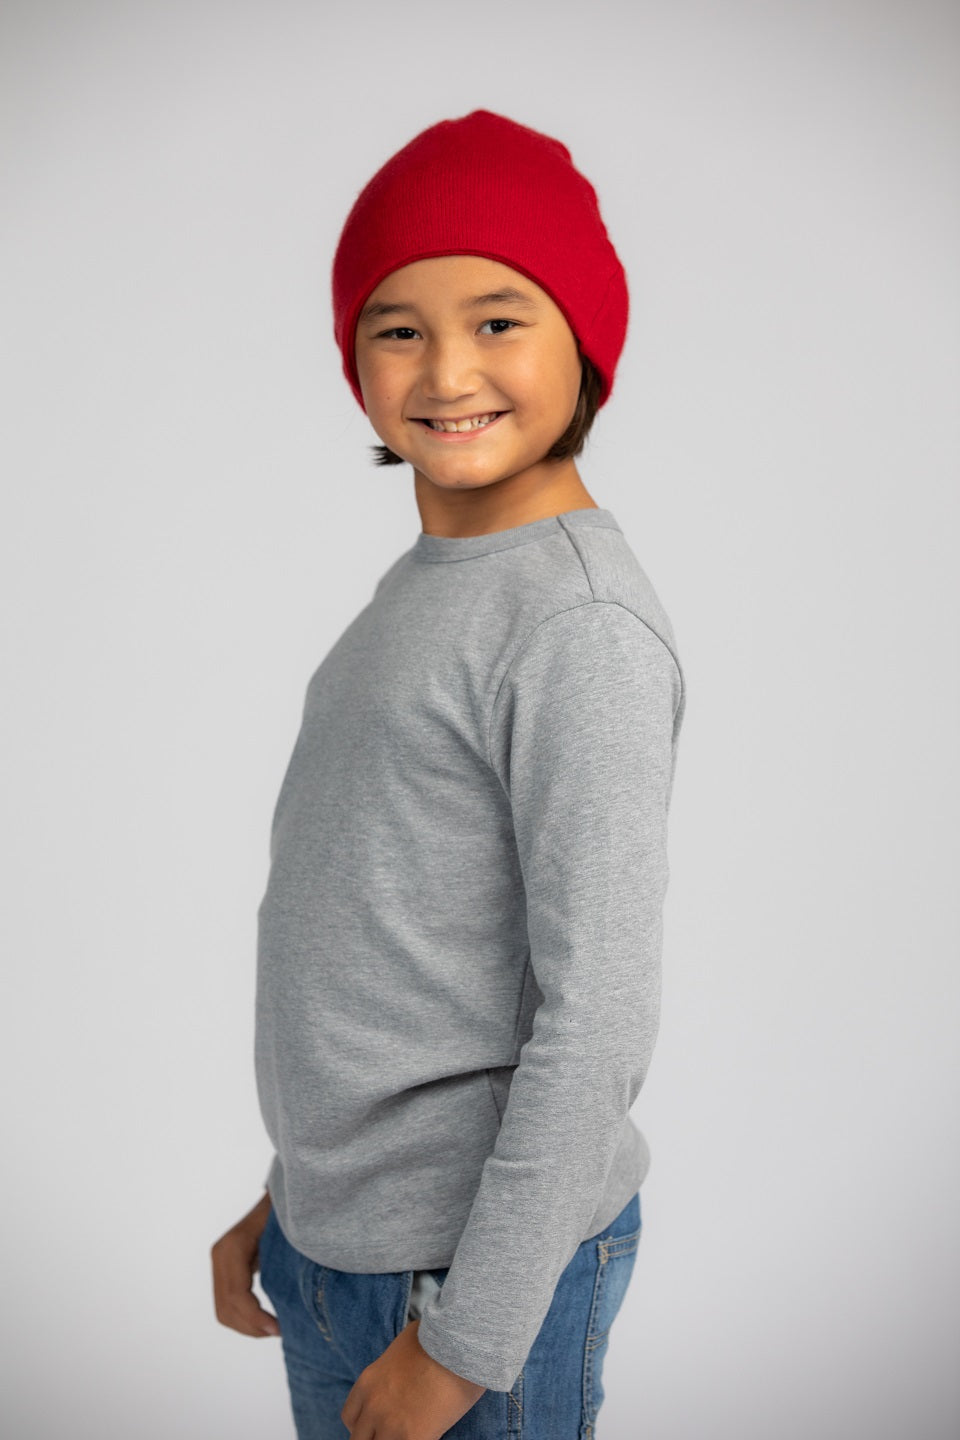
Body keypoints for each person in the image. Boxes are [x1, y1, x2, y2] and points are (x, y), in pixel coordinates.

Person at [210, 109, 687, 1440]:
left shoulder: (579, 625)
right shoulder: (433, 587)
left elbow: (596, 1020)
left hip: (468, 1286)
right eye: (398, 328)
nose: (445, 369)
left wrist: (465, 1344)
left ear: (583, 341)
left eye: (497, 320)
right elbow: (392, 947)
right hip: (340, 1247)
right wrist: (292, 1199)